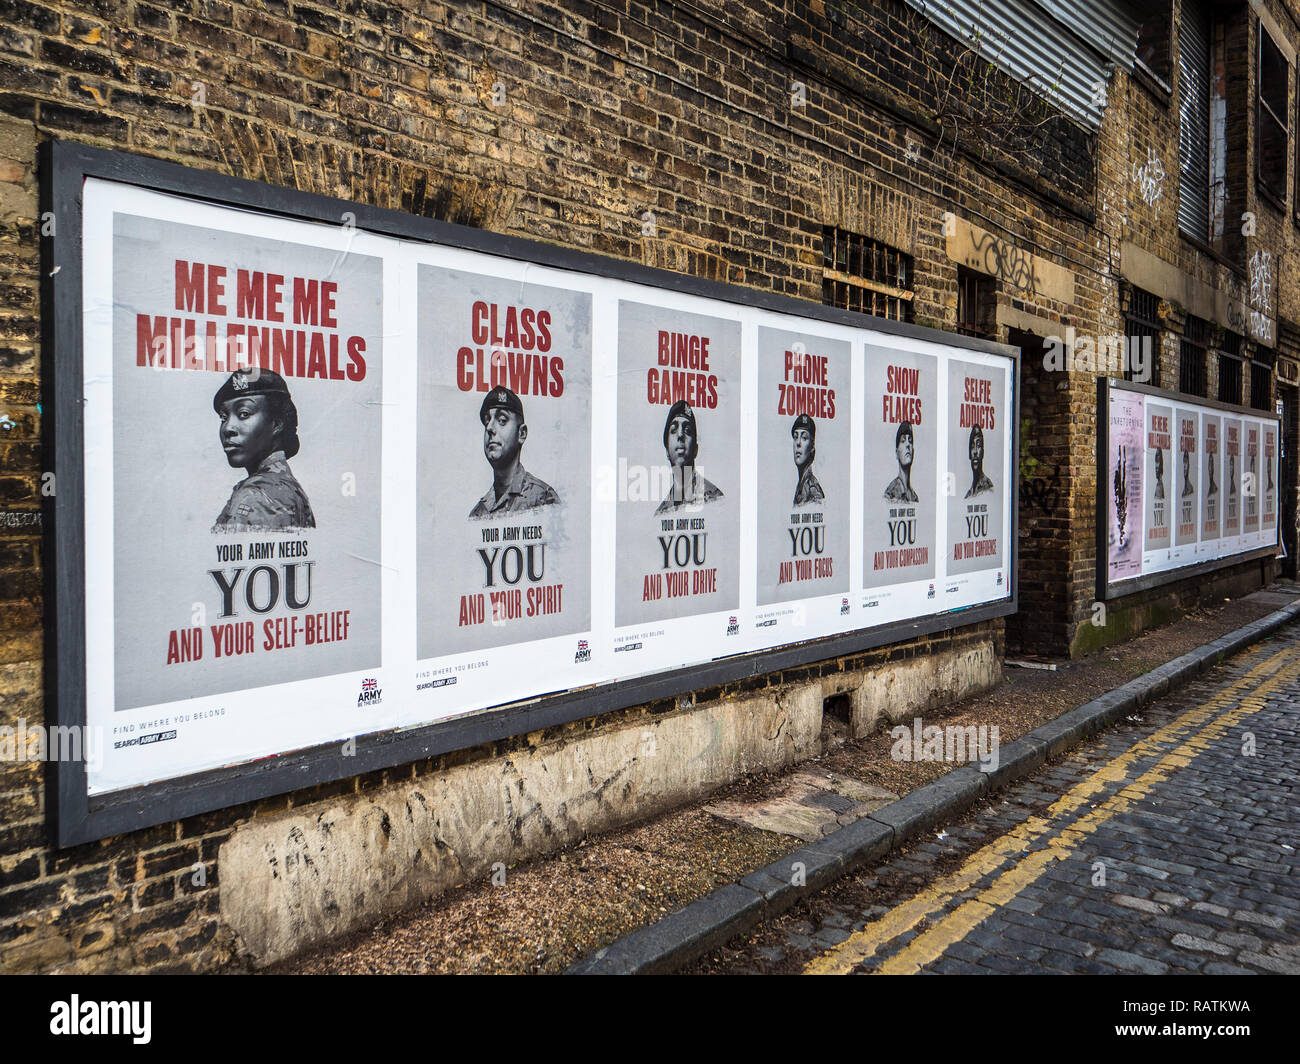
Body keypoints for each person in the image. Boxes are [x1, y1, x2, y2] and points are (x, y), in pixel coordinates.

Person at [212, 368, 315, 532]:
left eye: (244, 413)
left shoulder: (256, 497)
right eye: (224, 417)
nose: (228, 428)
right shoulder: (285, 488)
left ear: (277, 423)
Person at [469, 387, 559, 518]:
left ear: (521, 434)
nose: (489, 428)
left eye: (502, 420)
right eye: (487, 420)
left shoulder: (543, 499)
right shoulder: (478, 514)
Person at [655, 399, 723, 513]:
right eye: (673, 430)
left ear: (695, 450)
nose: (680, 435)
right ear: (667, 450)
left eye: (687, 430)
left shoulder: (715, 499)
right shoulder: (661, 513)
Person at [791, 413, 824, 506]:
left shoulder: (813, 491)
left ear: (812, 447)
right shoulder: (801, 486)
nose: (798, 443)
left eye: (804, 438)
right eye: (795, 437)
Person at [884, 420, 919, 502]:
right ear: (896, 453)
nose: (907, 445)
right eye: (903, 441)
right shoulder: (890, 494)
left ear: (913, 453)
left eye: (910, 441)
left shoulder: (914, 498)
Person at [963, 424, 994, 498]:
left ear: (982, 452)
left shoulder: (988, 488)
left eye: (978, 445)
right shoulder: (969, 494)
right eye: (973, 446)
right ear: (969, 454)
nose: (975, 452)